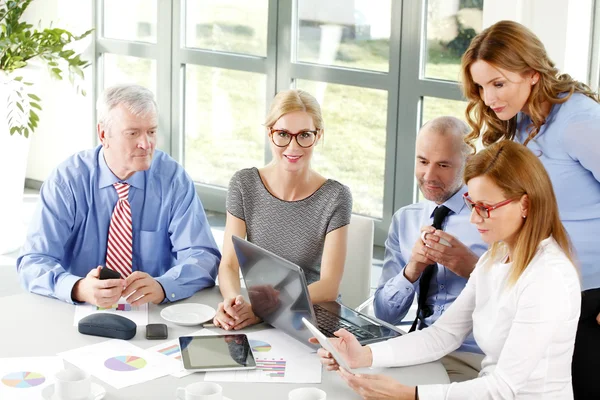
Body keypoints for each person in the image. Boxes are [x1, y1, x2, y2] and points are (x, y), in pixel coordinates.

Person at [314, 140, 581, 399]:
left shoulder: (548, 277)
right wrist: (364, 355)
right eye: (472, 204)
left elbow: (504, 388)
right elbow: (444, 334)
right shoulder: (495, 258)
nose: (475, 218)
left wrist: (410, 395)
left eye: (486, 208)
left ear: (525, 204)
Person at [460, 20, 600, 398]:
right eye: (481, 86)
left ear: (533, 74)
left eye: (498, 83)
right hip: (540, 284)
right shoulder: (520, 120)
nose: (488, 98)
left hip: (591, 294)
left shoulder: (579, 123)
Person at [17, 84, 221, 307]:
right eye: (133, 133)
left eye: (151, 131)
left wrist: (164, 285)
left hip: (153, 311)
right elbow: (33, 261)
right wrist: (77, 287)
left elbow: (203, 255)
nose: (146, 144)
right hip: (75, 310)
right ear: (104, 134)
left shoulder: (172, 179)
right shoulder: (67, 181)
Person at [213, 89, 352, 331]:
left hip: (312, 317)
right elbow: (229, 265)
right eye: (283, 134)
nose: (293, 146)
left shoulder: (335, 196)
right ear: (270, 133)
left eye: (304, 135)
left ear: (318, 136)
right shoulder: (244, 185)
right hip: (260, 317)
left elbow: (329, 286)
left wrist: (263, 310)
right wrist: (233, 302)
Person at [374, 116, 487, 381]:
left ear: (469, 161)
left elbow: (521, 299)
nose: (429, 176)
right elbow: (384, 315)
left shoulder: (489, 218)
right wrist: (411, 270)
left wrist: (472, 268)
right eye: (422, 161)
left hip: (472, 356)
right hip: (419, 347)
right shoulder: (406, 220)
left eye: (443, 165)